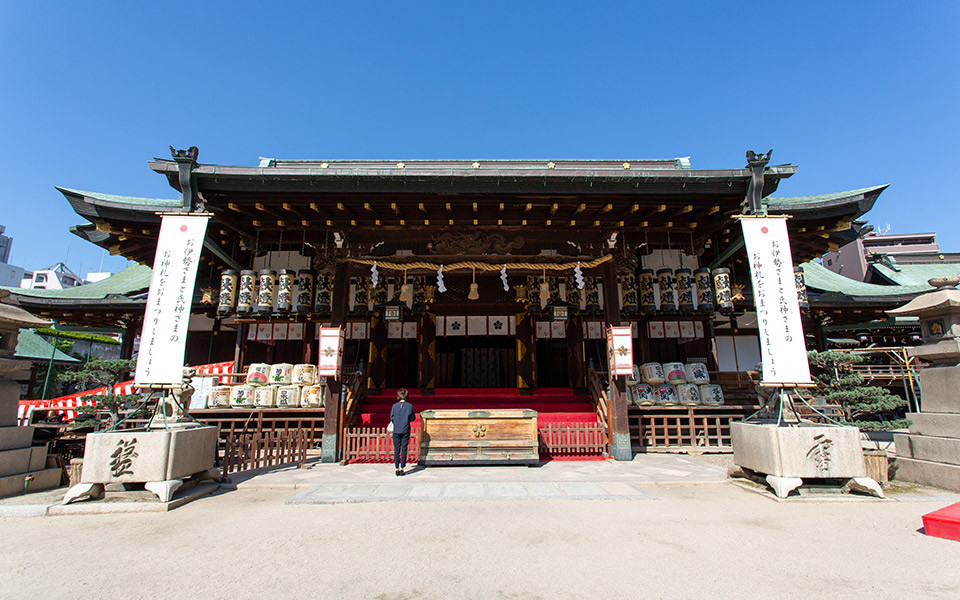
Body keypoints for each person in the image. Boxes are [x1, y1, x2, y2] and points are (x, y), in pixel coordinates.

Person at [389, 388, 415, 476]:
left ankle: (396, 468)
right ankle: (402, 468)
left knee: (396, 449)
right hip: (405, 429)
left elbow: (391, 417)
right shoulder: (409, 406)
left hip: (396, 429)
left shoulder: (394, 406)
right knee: (404, 448)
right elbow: (412, 418)